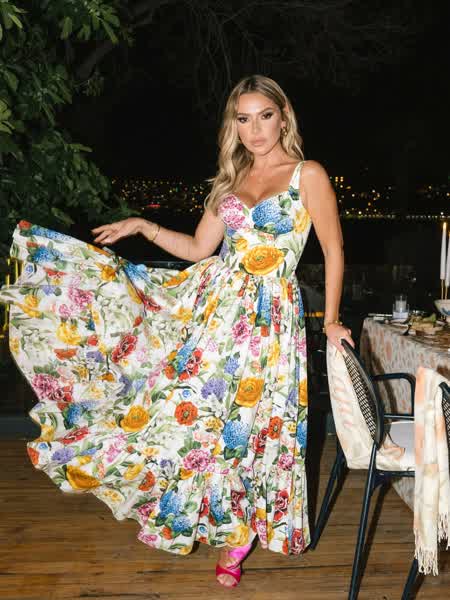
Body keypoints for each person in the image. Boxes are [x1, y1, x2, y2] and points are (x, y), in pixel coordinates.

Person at [0, 75, 353, 588]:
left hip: (271, 318)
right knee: (193, 412)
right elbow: (197, 250)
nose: (255, 130)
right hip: (215, 311)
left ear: (283, 118)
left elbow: (334, 249)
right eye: (244, 119)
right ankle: (220, 517)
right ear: (234, 125)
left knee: (256, 422)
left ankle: (241, 532)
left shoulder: (308, 174)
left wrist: (333, 318)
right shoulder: (229, 181)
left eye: (264, 116)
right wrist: (143, 226)